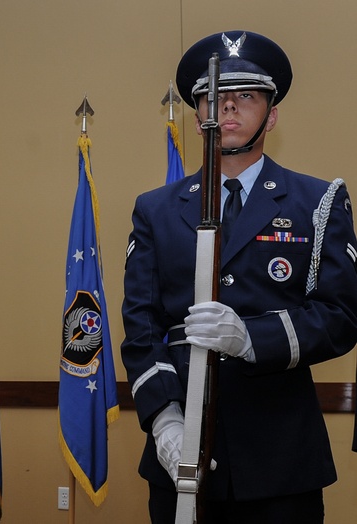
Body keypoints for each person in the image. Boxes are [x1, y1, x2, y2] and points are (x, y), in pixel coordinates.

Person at [121, 31, 357, 523]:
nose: (226, 108)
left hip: (280, 460)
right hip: (181, 451)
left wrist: (252, 337)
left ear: (271, 115)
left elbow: (340, 317)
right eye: (212, 97)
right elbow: (140, 326)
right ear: (197, 113)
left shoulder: (317, 202)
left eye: (245, 96)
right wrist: (163, 421)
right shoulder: (157, 209)